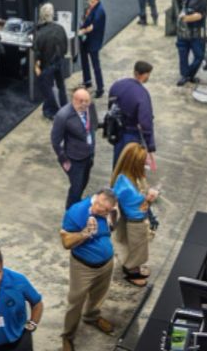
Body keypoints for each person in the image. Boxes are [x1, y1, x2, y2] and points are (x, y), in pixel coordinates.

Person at [59, 188, 119, 351]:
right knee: (75, 302)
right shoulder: (76, 212)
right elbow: (66, 243)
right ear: (96, 199)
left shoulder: (108, 212)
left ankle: (91, 316)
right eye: (100, 206)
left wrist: (112, 216)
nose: (102, 211)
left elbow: (111, 229)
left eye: (107, 210)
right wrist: (85, 233)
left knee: (99, 293)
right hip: (83, 267)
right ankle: (67, 336)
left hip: (106, 264)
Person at [112, 142, 160, 286]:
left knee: (138, 247)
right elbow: (137, 206)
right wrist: (149, 198)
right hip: (135, 221)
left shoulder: (130, 177)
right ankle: (131, 272)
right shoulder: (126, 186)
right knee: (136, 249)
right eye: (143, 159)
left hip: (136, 218)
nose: (147, 161)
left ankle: (135, 267)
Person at [52, 88, 99, 209]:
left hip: (89, 155)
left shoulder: (90, 106)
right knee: (76, 188)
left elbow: (93, 125)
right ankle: (70, 215)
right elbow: (56, 141)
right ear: (73, 100)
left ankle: (76, 206)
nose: (84, 104)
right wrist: (65, 161)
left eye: (86, 101)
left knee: (83, 183)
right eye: (81, 101)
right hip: (74, 159)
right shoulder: (63, 116)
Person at [109, 61, 157, 166]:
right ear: (144, 75)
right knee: (129, 167)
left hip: (117, 131)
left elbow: (111, 106)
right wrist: (150, 146)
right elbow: (145, 123)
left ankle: (115, 182)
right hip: (132, 135)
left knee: (117, 163)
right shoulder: (142, 94)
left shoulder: (117, 85)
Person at [174, 0, 207, 87]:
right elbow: (178, 6)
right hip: (182, 30)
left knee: (199, 56)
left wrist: (187, 17)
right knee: (182, 53)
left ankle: (190, 74)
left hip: (196, 30)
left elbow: (200, 14)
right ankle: (185, 75)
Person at [33, 2, 70, 119]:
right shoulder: (60, 28)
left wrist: (37, 66)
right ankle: (65, 107)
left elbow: (38, 52)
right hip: (59, 61)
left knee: (46, 87)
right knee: (61, 85)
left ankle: (51, 111)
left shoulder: (40, 33)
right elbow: (65, 46)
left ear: (42, 16)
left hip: (47, 64)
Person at [78, 0, 107, 98]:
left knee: (95, 65)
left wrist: (82, 31)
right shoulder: (90, 8)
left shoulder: (100, 11)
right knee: (84, 61)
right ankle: (87, 81)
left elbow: (92, 27)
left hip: (93, 41)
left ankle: (100, 88)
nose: (89, 1)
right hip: (85, 40)